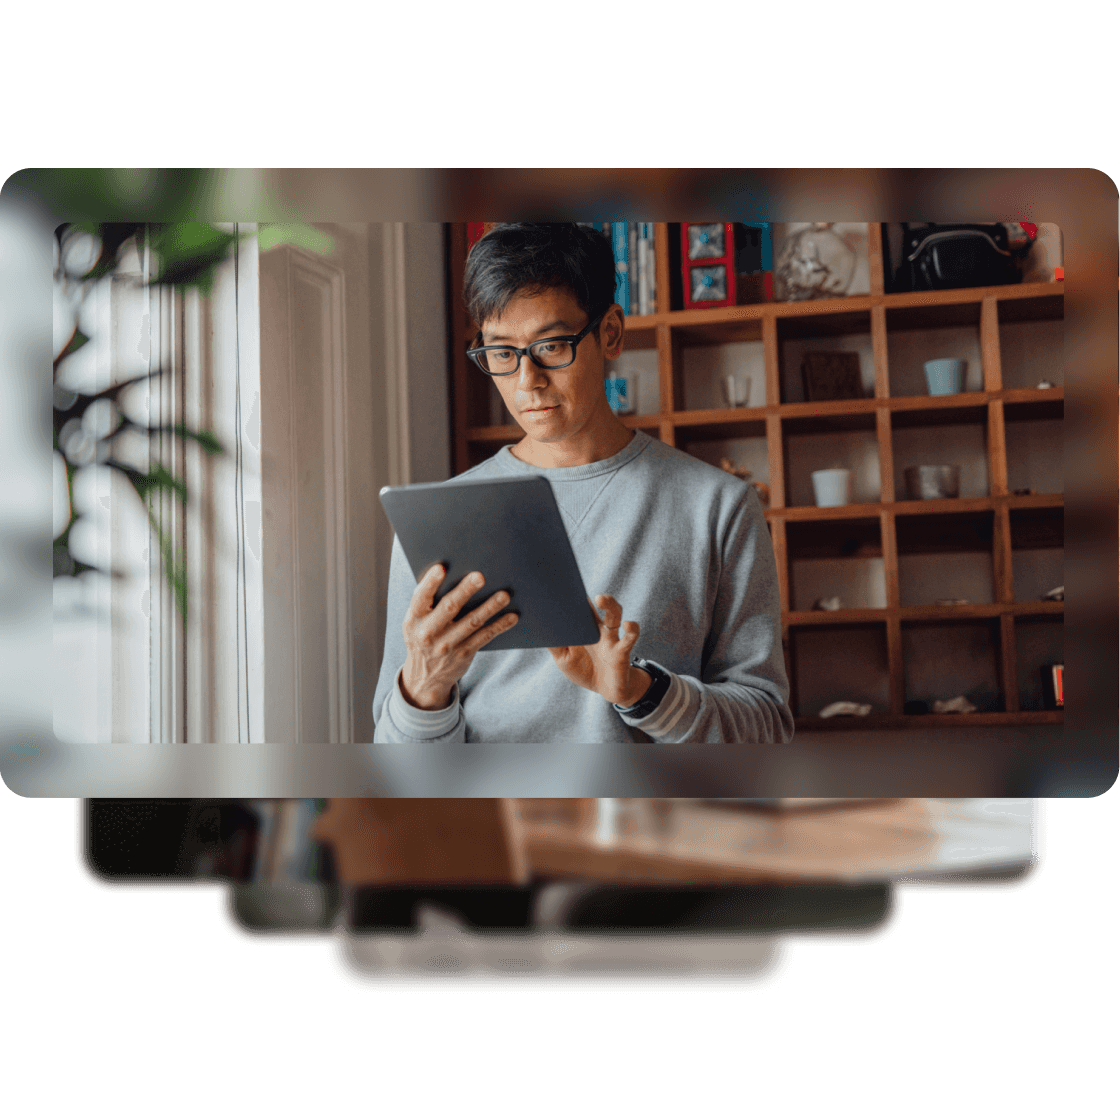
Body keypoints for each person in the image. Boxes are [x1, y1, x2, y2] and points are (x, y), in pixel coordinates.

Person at [372, 223, 793, 744]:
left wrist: (644, 692)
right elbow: (396, 761)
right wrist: (425, 689)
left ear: (610, 332)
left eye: (550, 346)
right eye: (501, 353)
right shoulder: (436, 523)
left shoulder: (718, 505)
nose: (527, 381)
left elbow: (767, 729)